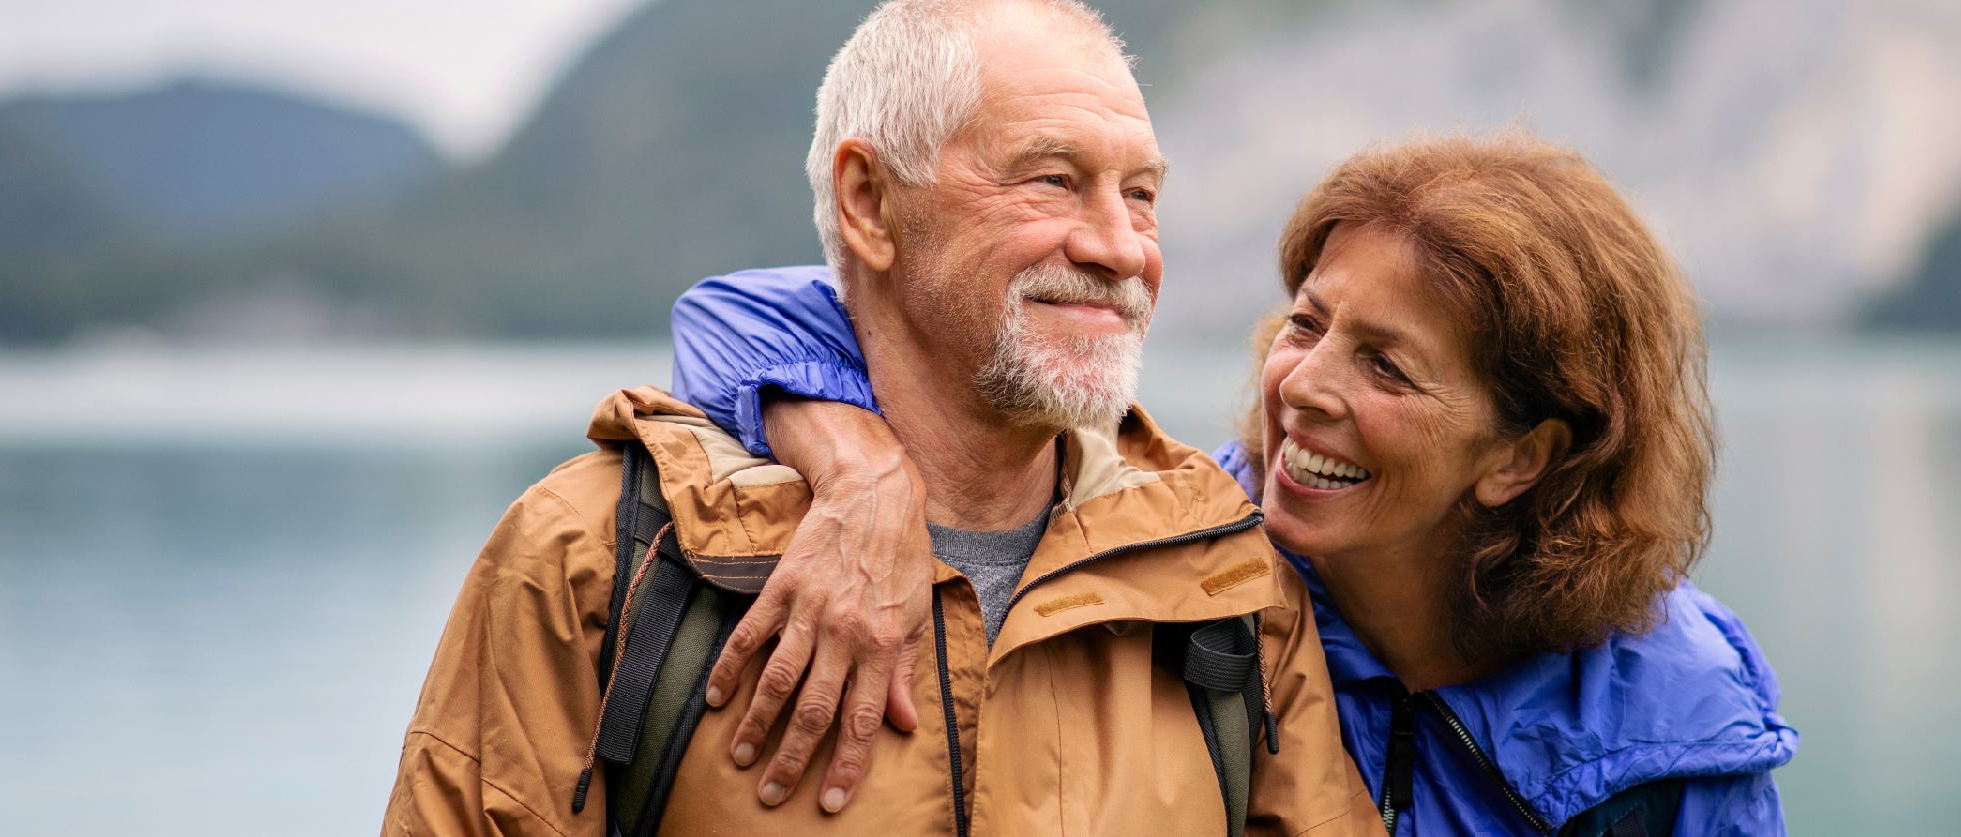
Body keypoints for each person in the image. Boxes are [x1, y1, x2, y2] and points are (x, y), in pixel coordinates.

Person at [382, 0, 1377, 834]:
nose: (1122, 247)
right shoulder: (595, 556)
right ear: (868, 202)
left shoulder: (1227, 578)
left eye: (1141, 193)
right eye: (1050, 179)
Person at [675, 133, 1801, 835]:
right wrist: (856, 464)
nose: (1300, 386)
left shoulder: (1675, 720)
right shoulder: (1171, 550)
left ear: (1522, 456)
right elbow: (731, 313)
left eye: (1385, 367)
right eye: (1305, 322)